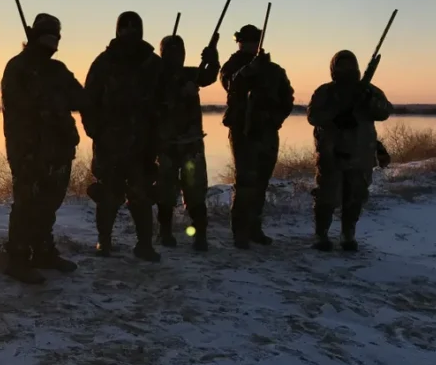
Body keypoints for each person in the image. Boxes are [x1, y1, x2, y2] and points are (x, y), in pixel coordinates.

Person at [1, 13, 86, 284]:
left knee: (50, 203)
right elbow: (18, 107)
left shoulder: (57, 69)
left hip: (58, 150)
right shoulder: (17, 68)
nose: (52, 42)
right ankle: (17, 258)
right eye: (47, 36)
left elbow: (80, 97)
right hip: (28, 149)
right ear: (34, 37)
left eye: (56, 37)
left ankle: (43, 252)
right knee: (26, 203)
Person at [81, 11, 162, 262]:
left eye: (134, 27)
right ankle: (104, 241)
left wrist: (158, 136)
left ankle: (144, 244)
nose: (129, 32)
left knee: (142, 193)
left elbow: (164, 100)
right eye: (124, 27)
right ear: (117, 30)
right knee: (108, 194)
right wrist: (95, 131)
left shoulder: (152, 63)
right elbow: (88, 101)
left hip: (143, 144)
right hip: (109, 144)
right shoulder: (104, 62)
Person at [306, 50, 393, 251]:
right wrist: (335, 115)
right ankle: (321, 235)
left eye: (349, 65)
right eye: (341, 65)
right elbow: (313, 116)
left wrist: (368, 99)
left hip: (360, 154)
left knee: (356, 197)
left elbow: (385, 111)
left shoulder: (368, 90)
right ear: (333, 68)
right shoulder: (325, 92)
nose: (345, 70)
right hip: (331, 153)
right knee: (327, 197)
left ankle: (348, 234)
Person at [221, 24, 295, 248]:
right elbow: (229, 83)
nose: (250, 44)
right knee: (245, 182)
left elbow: (287, 98)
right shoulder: (232, 66)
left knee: (262, 182)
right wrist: (249, 71)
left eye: (254, 40)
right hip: (244, 132)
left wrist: (275, 119)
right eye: (245, 40)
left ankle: (255, 228)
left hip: (267, 132)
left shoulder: (274, 70)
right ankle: (240, 232)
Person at [155, 34, 220, 251]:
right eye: (171, 52)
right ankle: (165, 233)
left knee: (195, 191)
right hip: (166, 145)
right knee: (165, 190)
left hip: (191, 144)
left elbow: (210, 75)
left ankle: (199, 235)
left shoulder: (191, 73)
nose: (176, 57)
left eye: (180, 52)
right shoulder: (155, 78)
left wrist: (213, 55)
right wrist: (178, 92)